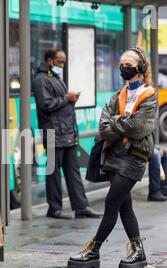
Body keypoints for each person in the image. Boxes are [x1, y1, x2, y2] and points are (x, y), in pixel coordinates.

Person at [68, 47, 157, 268]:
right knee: (124, 206)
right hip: (115, 156)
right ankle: (138, 253)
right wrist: (123, 122)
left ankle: (93, 250)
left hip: (134, 157)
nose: (124, 70)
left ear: (141, 68)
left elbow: (138, 128)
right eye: (122, 66)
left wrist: (118, 124)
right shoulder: (118, 96)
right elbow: (103, 127)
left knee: (111, 202)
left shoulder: (150, 95)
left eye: (129, 66)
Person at [32, 49, 101, 219]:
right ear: (49, 61)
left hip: (67, 133)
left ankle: (81, 207)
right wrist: (67, 98)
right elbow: (45, 105)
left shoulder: (54, 78)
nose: (62, 65)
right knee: (54, 173)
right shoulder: (41, 80)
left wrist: (68, 98)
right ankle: (54, 208)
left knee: (73, 172)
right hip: (54, 133)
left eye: (64, 62)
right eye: (59, 62)